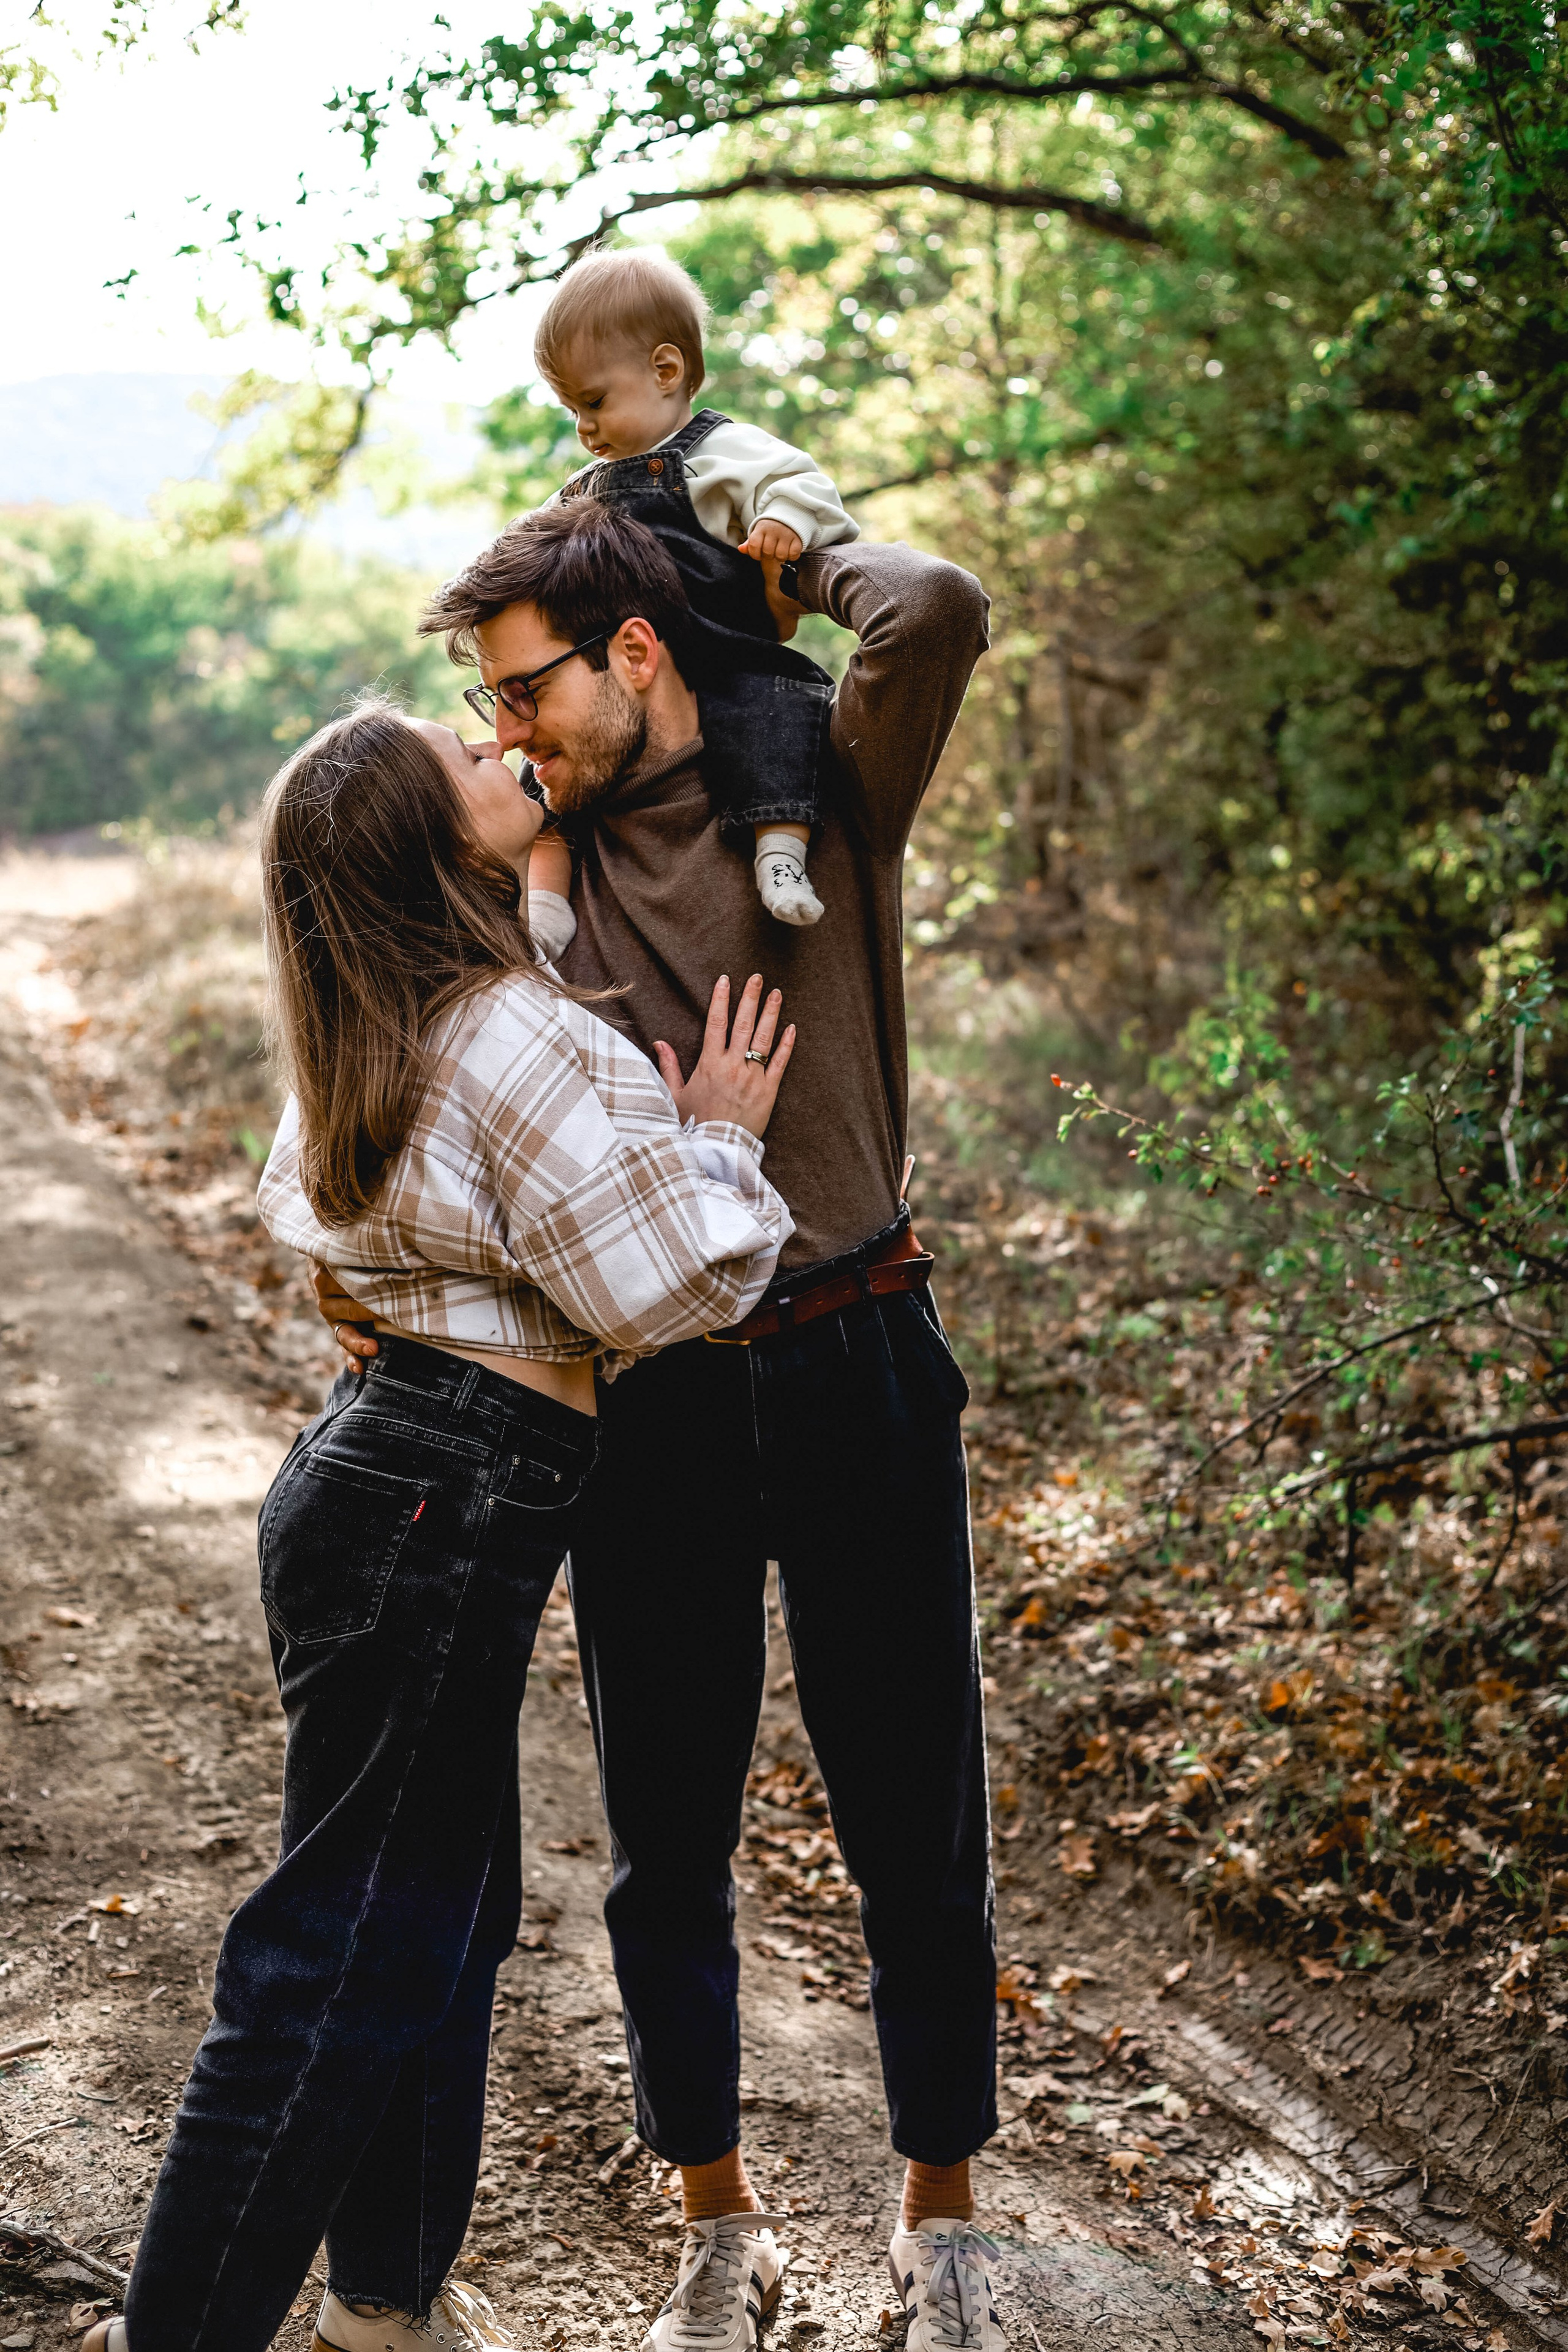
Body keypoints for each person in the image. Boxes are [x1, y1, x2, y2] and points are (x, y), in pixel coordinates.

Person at [318, 499, 1002, 2352]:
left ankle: (940, 2223)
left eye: (523, 686)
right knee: (662, 1834)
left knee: (912, 1815)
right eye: (487, 703)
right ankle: (718, 2226)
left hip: (860, 1343)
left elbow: (931, 610)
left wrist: (761, 547)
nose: (506, 728)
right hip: (657, 1391)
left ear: (635, 653)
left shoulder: (821, 792)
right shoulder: (531, 865)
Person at [86, 695, 797, 2352]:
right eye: (466, 758)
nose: (502, 750)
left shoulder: (387, 1013)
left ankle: (383, 2312)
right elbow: (665, 1282)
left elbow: (334, 1217)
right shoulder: (512, 1033)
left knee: (441, 1919)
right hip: (435, 1498)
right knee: (339, 1958)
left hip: (389, 1477)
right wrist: (722, 1145)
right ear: (425, 841)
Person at [526, 244, 859, 933]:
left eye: (593, 401)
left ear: (666, 370)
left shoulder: (725, 452)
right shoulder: (583, 488)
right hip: (624, 671)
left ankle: (780, 856)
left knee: (781, 718)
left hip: (727, 652)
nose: (583, 428)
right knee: (546, 765)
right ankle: (545, 900)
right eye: (570, 410)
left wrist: (779, 521)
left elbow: (808, 487)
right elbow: (534, 544)